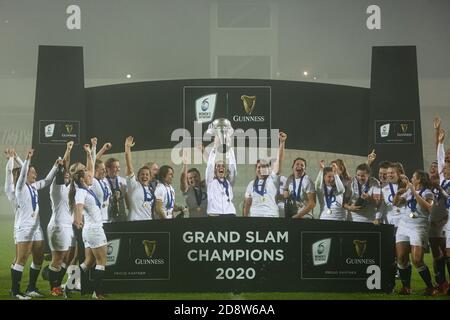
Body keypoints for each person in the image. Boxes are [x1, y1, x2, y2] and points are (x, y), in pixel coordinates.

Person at [12, 149, 58, 299]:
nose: (35, 174)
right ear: (25, 174)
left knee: (38, 258)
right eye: (33, 172)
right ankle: (15, 291)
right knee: (22, 260)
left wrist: (56, 166)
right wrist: (26, 159)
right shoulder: (20, 188)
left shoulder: (33, 186)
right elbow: (24, 170)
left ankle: (31, 287)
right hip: (24, 228)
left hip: (36, 228)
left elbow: (47, 180)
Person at [71, 144, 107, 299]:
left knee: (88, 262)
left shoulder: (86, 188)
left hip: (91, 229)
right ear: (81, 178)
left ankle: (69, 285)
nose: (90, 173)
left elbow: (91, 167)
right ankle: (96, 293)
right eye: (86, 173)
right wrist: (77, 220)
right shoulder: (80, 191)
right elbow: (78, 207)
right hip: (94, 230)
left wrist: (89, 153)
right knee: (101, 262)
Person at [393, 170, 438, 296]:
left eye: (413, 177)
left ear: (419, 180)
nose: (412, 179)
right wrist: (398, 194)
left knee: (417, 260)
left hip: (419, 227)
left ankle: (431, 287)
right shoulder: (408, 191)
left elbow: (429, 208)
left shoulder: (428, 193)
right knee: (401, 258)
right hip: (404, 225)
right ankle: (406, 287)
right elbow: (395, 203)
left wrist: (413, 192)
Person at [46, 141, 75, 296]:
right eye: (64, 172)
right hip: (58, 226)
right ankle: (54, 288)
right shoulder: (56, 186)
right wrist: (67, 150)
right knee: (58, 260)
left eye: (68, 173)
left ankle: (58, 283)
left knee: (67, 258)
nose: (67, 173)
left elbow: (67, 167)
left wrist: (69, 150)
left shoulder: (67, 185)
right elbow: (63, 166)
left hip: (67, 226)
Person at [243, 132, 287, 218]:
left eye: (264, 167)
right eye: (259, 167)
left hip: (271, 215)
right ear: (256, 169)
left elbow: (279, 161)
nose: (261, 169)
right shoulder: (251, 184)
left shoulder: (273, 179)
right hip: (255, 216)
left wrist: (282, 143)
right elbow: (247, 203)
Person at [4, 148, 24, 283]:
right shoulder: (11, 191)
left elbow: (25, 168)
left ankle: (15, 286)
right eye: (18, 175)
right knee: (19, 258)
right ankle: (15, 288)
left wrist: (16, 157)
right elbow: (9, 173)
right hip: (20, 227)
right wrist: (11, 158)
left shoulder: (25, 188)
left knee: (20, 258)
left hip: (26, 227)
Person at [205, 136, 237, 216]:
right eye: (218, 166)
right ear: (215, 171)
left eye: (223, 166)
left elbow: (233, 167)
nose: (221, 167)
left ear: (226, 170)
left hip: (230, 213)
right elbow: (209, 166)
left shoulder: (229, 182)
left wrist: (229, 147)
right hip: (215, 214)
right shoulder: (210, 182)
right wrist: (215, 148)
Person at [124, 136, 155, 221]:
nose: (145, 176)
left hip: (148, 221)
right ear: (138, 176)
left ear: (150, 177)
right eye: (142, 174)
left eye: (147, 175)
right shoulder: (133, 185)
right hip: (134, 222)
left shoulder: (151, 190)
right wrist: (127, 148)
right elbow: (129, 166)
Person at [436, 128, 450, 294]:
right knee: (443, 254)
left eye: (447, 169)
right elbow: (440, 159)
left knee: (448, 253)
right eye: (444, 169)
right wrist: (440, 142)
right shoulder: (443, 180)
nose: (444, 170)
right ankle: (443, 283)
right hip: (443, 222)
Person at [180, 150, 207, 218]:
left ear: (199, 176)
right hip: (193, 221)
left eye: (195, 177)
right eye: (190, 178)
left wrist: (203, 151)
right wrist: (185, 164)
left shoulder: (205, 186)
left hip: (207, 220)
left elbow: (211, 170)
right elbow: (183, 177)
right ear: (187, 180)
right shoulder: (187, 189)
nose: (193, 179)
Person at [105, 156, 128, 222]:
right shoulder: (104, 181)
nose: (118, 169)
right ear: (108, 168)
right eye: (115, 167)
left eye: (119, 167)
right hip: (108, 215)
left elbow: (126, 200)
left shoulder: (123, 181)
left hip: (121, 214)